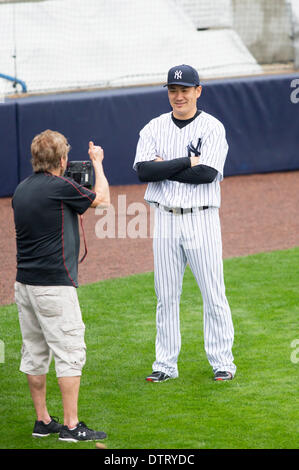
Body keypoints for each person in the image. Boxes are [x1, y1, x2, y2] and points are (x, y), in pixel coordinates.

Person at [133, 64, 236, 383]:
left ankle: (222, 362)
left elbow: (206, 174)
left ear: (198, 91)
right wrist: (185, 162)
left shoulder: (213, 127)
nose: (178, 96)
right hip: (164, 218)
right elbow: (144, 172)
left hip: (201, 219)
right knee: (165, 295)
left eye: (185, 90)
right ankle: (165, 365)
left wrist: (165, 167)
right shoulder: (153, 127)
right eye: (173, 90)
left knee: (213, 292)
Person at [12, 129, 110, 441]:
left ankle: (42, 420)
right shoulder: (60, 187)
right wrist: (98, 164)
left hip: (24, 285)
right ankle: (71, 425)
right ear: (63, 160)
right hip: (54, 286)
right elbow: (104, 200)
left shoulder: (21, 190)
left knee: (34, 352)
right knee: (70, 351)